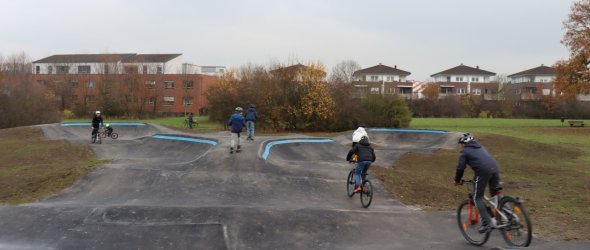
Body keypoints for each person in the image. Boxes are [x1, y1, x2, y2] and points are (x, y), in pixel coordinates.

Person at [453, 133, 502, 234]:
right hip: (495, 169)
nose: (461, 146)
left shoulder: (464, 151)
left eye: (461, 144)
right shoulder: (480, 147)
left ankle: (486, 223)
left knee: (477, 198)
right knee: (495, 193)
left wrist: (457, 180)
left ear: (463, 143)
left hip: (483, 172)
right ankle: (508, 216)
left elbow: (460, 168)